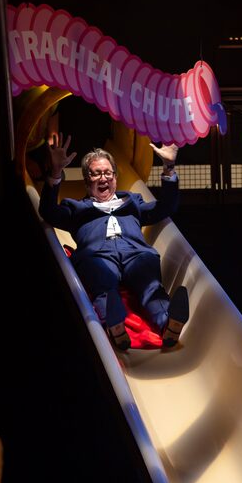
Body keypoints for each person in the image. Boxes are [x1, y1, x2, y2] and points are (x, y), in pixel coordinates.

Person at [38, 133, 189, 351]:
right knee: (103, 285)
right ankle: (115, 326)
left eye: (108, 173)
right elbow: (48, 212)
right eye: (96, 173)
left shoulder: (132, 202)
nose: (103, 178)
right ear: (87, 180)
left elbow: (166, 207)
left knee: (151, 286)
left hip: (136, 253)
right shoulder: (76, 208)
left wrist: (169, 168)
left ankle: (169, 323)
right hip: (97, 256)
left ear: (115, 178)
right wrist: (54, 173)